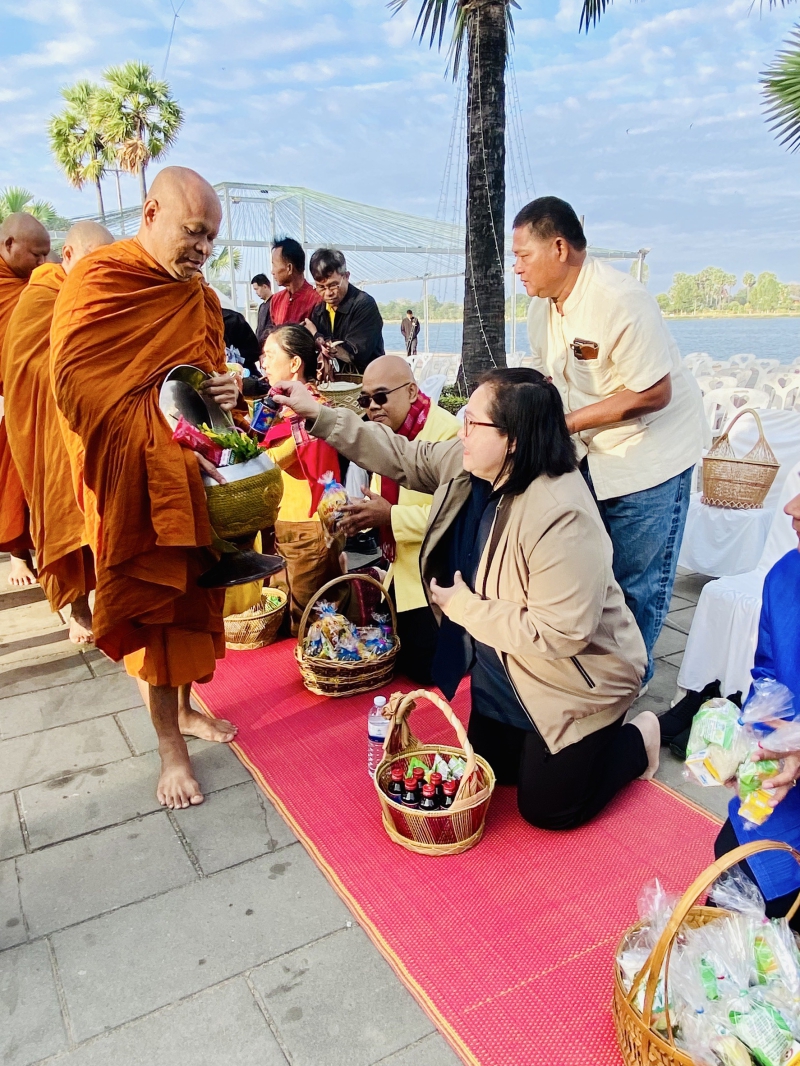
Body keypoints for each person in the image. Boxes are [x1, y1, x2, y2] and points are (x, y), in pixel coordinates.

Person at [273, 369, 659, 831]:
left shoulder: (562, 514)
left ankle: (640, 737)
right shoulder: (473, 463)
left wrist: (463, 606)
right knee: (494, 773)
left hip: (573, 680)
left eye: (473, 423)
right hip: (504, 665)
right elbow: (403, 455)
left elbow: (562, 633)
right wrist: (317, 413)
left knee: (548, 810)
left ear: (513, 439)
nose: (461, 431)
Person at [52, 166, 244, 811]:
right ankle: (169, 751)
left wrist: (224, 393)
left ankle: (186, 712)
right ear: (152, 211)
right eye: (193, 232)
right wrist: (159, 435)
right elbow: (77, 391)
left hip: (191, 476)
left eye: (210, 239)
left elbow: (211, 392)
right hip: (133, 476)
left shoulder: (201, 300)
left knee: (194, 603)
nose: (202, 249)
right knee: (156, 608)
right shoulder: (100, 282)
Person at [517, 196, 704, 686]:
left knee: (636, 582)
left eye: (523, 255)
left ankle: (626, 691)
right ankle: (593, 678)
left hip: (651, 455)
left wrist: (566, 425)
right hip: (593, 452)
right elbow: (551, 379)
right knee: (593, 570)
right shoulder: (541, 309)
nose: (516, 268)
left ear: (559, 248)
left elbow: (654, 391)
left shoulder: (620, 299)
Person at [2, 221, 114, 644]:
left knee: (99, 513)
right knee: (61, 512)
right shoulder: (40, 295)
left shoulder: (97, 294)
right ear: (66, 258)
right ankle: (77, 608)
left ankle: (107, 596)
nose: (99, 273)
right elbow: (26, 365)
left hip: (89, 422)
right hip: (48, 423)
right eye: (92, 263)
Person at [337, 355, 459, 684]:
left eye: (381, 396)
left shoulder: (447, 434)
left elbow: (455, 515)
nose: (372, 407)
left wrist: (388, 515)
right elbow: (386, 500)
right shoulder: (386, 434)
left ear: (412, 392)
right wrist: (363, 515)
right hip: (399, 570)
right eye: (365, 400)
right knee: (380, 654)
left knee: (423, 671)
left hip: (436, 574)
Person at [712, 482, 800, 927]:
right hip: (786, 785)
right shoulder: (787, 578)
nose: (791, 508)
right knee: (733, 867)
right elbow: (767, 676)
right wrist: (749, 744)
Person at [259, 325, 344, 633]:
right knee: (284, 612)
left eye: (270, 355)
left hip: (308, 525)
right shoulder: (278, 405)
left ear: (294, 364)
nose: (264, 363)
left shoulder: (310, 409)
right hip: (285, 522)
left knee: (310, 619)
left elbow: (267, 462)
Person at [0, 212, 51, 587]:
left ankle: (51, 552)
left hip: (49, 395)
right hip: (14, 398)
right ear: (8, 245)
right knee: (15, 472)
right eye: (36, 255)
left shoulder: (42, 287)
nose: (42, 263)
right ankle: (19, 554)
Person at [306, 248, 384, 374]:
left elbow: (354, 354)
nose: (328, 293)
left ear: (346, 276)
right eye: (321, 287)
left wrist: (318, 337)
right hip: (337, 385)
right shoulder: (319, 310)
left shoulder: (364, 304)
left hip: (368, 383)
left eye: (333, 285)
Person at [268, 237, 320, 327]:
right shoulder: (276, 300)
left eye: (274, 265)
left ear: (289, 268)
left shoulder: (316, 300)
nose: (272, 272)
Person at [251, 273, 272, 345]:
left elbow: (271, 327)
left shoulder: (274, 303)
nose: (256, 293)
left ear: (265, 286)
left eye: (257, 289)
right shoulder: (261, 306)